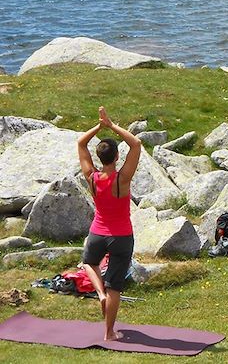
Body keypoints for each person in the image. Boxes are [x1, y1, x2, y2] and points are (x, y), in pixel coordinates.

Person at [77, 106, 142, 341]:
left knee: (88, 263)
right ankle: (109, 333)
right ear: (116, 157)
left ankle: (99, 293)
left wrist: (98, 126)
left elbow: (81, 144)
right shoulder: (122, 179)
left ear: (100, 157)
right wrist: (111, 124)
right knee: (115, 286)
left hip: (97, 233)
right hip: (122, 236)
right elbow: (136, 144)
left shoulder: (91, 178)